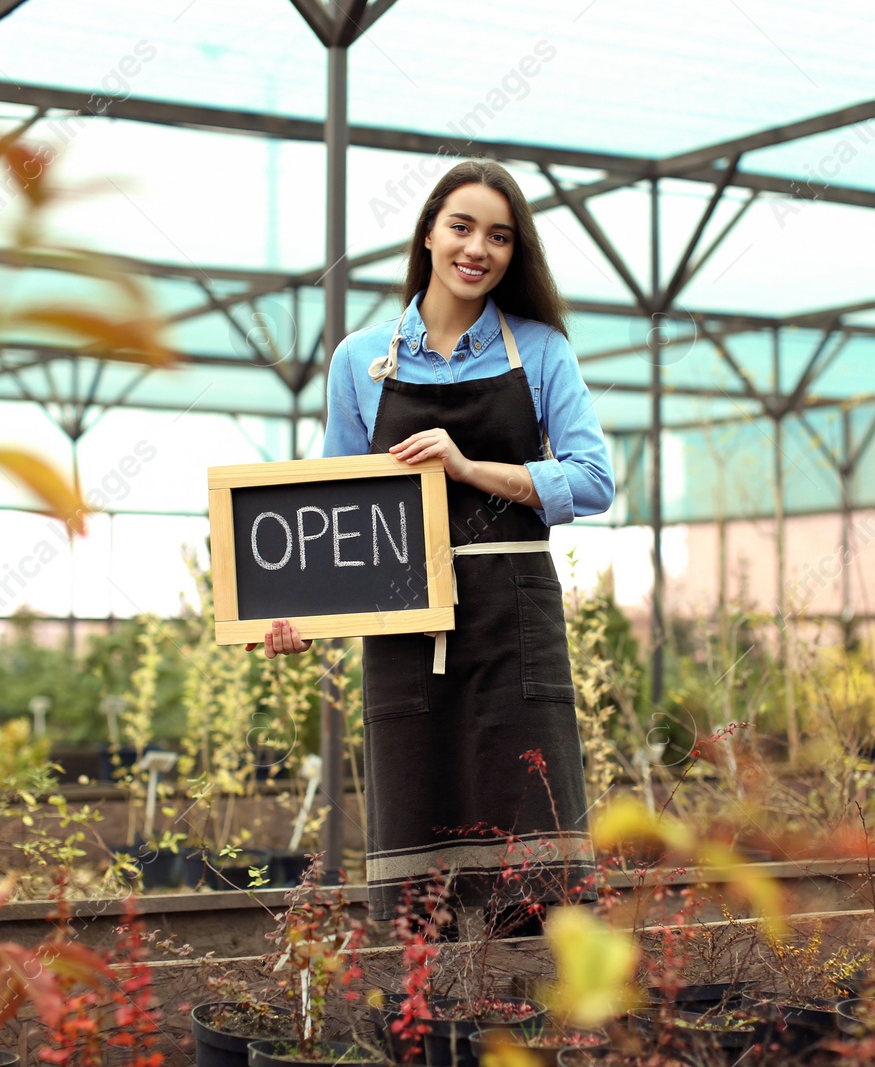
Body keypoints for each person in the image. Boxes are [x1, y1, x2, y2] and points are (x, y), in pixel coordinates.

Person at [248, 159, 614, 936]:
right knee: (422, 881)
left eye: (500, 236)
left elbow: (593, 481)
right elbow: (333, 507)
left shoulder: (541, 351)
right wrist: (292, 614)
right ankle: (433, 1032)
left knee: (532, 869)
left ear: (516, 254)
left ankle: (524, 1031)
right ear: (428, 233)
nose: (478, 248)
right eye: (463, 226)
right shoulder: (361, 359)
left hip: (514, 619)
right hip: (408, 624)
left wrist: (468, 465)